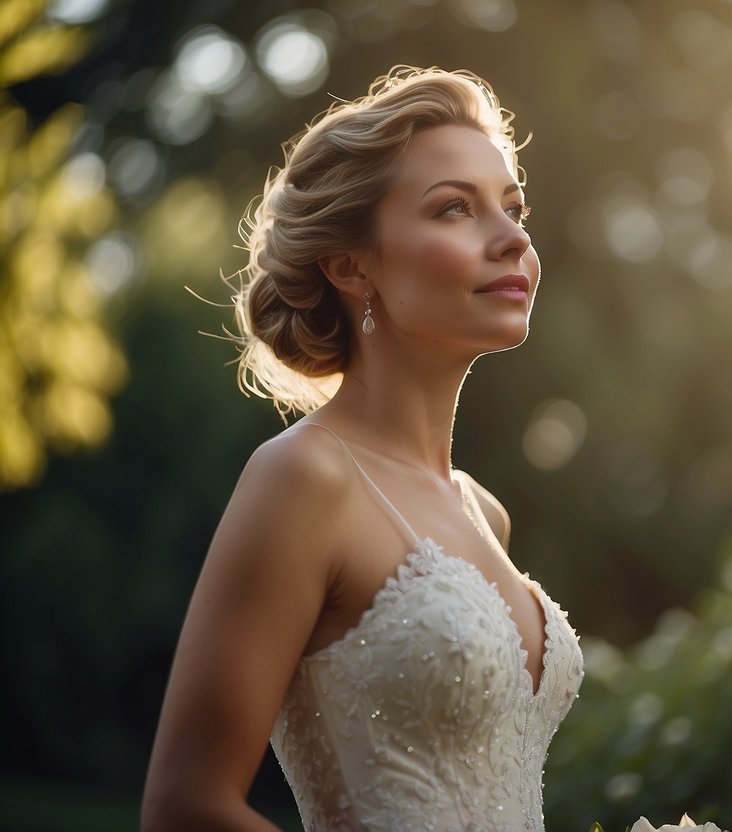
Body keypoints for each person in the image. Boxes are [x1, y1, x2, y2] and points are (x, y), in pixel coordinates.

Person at [140, 66, 585, 832]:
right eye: (456, 209)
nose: (512, 238)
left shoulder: (485, 513)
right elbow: (185, 809)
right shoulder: (304, 479)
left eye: (513, 209)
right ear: (351, 266)